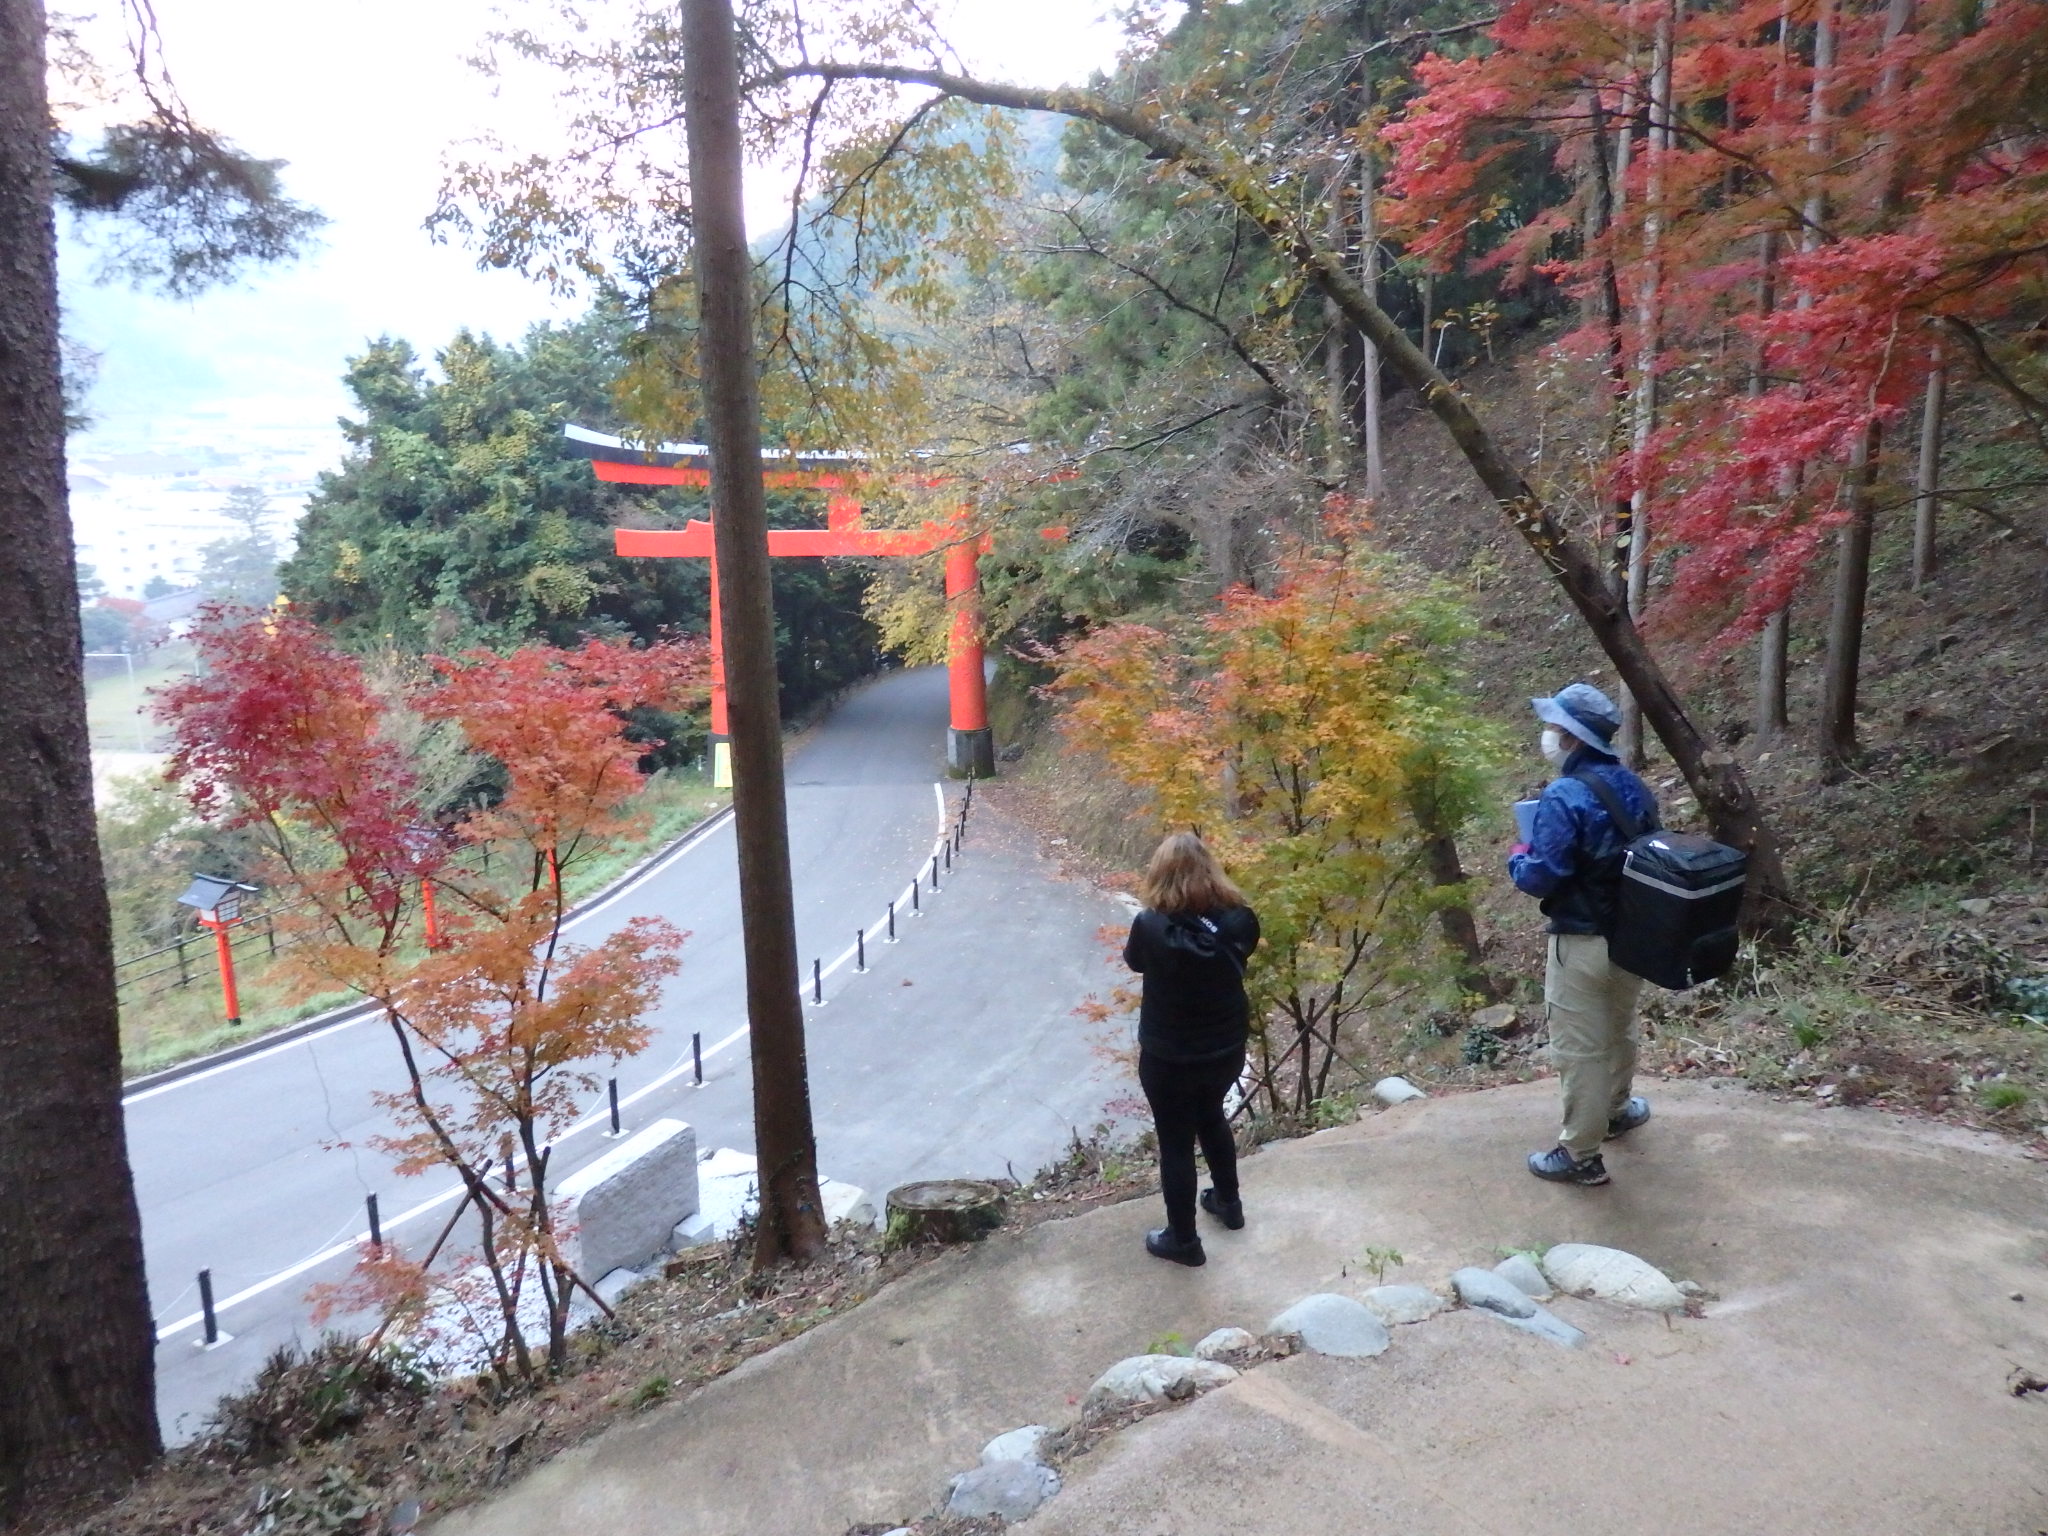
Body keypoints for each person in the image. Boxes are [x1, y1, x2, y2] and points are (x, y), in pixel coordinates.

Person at [1507, 682, 1659, 1187]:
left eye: (1554, 728)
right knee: (1620, 1029)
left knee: (1581, 1048)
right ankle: (1617, 1111)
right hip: (1635, 937)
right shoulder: (1634, 786)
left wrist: (1517, 859)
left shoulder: (1565, 794)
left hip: (1581, 941)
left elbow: (1542, 875)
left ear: (1571, 738)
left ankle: (1580, 1155)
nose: (1548, 735)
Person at [1122, 832, 1261, 1266]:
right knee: (1211, 1115)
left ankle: (1183, 1241)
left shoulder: (1149, 925)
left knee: (1176, 1143)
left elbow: (1135, 961)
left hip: (1169, 1055)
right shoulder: (1241, 920)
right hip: (1225, 1048)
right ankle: (1228, 1204)